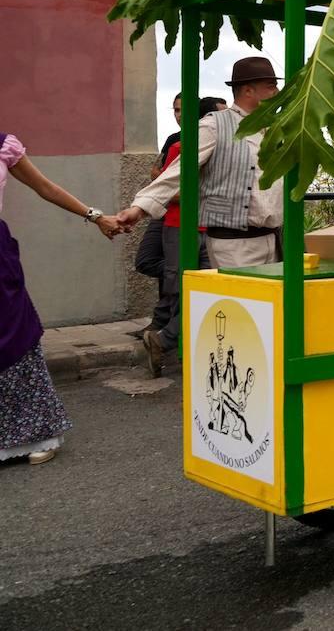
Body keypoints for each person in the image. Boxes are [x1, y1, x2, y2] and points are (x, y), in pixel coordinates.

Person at [117, 57, 287, 375]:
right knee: (239, 315)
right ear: (249, 90)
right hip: (232, 243)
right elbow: (177, 174)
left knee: (267, 316)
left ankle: (261, 378)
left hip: (271, 241)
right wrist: (139, 208)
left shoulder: (274, 129)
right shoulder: (214, 125)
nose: (276, 91)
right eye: (270, 86)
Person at [1, 131, 123, 465]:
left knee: (15, 341)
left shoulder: (3, 146)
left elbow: (46, 187)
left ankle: (35, 433)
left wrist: (96, 216)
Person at [138, 98, 218, 369]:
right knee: (178, 288)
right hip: (179, 225)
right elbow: (165, 188)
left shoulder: (219, 146)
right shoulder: (178, 146)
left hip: (210, 227)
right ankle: (167, 339)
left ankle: (164, 339)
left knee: (204, 291)